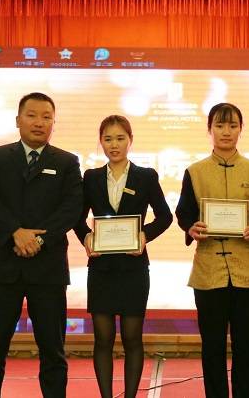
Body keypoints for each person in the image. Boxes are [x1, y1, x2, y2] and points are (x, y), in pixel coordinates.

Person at [0, 92, 83, 398]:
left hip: (47, 268)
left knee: (53, 351)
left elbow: (71, 208)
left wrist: (38, 239)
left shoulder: (67, 162)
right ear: (18, 120)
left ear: (53, 123)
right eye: (32, 115)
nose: (39, 122)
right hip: (1, 265)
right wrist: (15, 232)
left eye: (47, 117)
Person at [74, 115, 172, 398]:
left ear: (130, 140)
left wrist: (144, 235)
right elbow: (77, 218)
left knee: (132, 338)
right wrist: (86, 236)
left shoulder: (146, 176)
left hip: (134, 268)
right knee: (103, 339)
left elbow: (165, 216)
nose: (114, 145)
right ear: (101, 142)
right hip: (101, 269)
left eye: (120, 138)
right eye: (108, 139)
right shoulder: (91, 178)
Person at [175, 102, 249, 398]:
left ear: (241, 129)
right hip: (209, 272)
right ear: (209, 130)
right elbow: (184, 212)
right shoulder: (195, 171)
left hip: (248, 271)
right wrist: (191, 227)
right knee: (212, 347)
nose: (226, 132)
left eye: (232, 125)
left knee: (246, 347)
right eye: (219, 125)